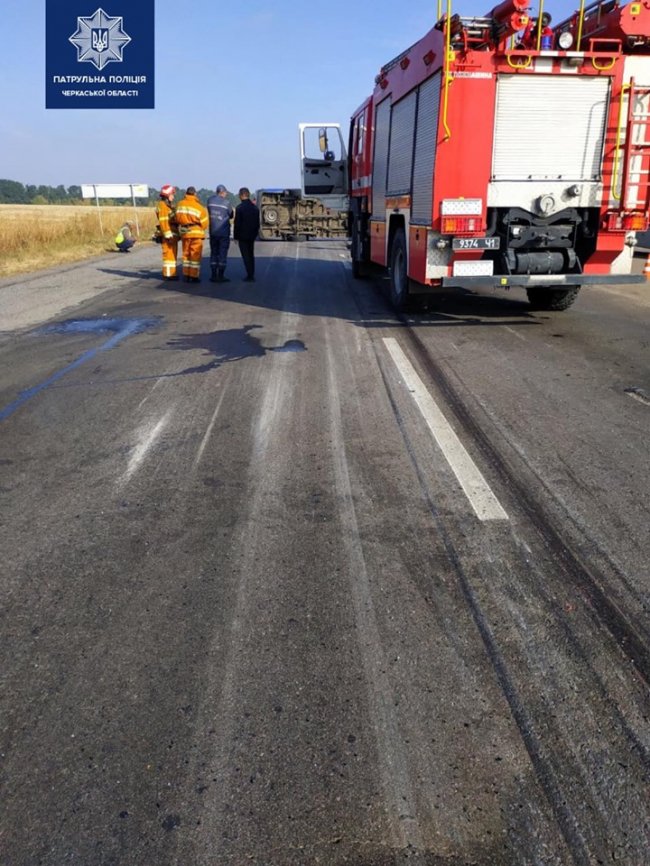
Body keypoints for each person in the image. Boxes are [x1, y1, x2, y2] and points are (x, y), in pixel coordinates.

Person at [174, 186, 209, 283]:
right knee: (195, 255)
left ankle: (186, 275)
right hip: (196, 233)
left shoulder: (180, 204)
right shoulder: (199, 207)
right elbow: (205, 223)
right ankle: (194, 276)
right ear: (195, 194)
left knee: (186, 254)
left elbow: (176, 218)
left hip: (185, 233)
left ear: (186, 193)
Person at [207, 184, 234, 283]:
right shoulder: (226, 203)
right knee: (222, 253)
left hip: (213, 232)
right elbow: (231, 215)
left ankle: (213, 275)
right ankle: (221, 275)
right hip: (223, 233)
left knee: (214, 252)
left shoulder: (210, 201)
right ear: (223, 192)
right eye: (226, 192)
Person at [233, 187, 260, 282]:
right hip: (252, 235)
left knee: (246, 256)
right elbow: (257, 223)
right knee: (251, 255)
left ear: (241, 195)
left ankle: (249, 275)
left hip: (242, 236)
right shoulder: (255, 208)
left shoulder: (239, 208)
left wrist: (235, 237)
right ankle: (251, 273)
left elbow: (237, 224)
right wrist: (256, 234)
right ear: (248, 195)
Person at [155, 185, 179, 280]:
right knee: (169, 256)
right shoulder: (163, 206)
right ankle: (168, 275)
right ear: (168, 195)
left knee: (172, 255)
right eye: (172, 194)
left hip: (172, 234)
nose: (173, 196)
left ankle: (172, 273)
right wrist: (168, 235)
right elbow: (164, 221)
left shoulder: (167, 206)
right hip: (168, 236)